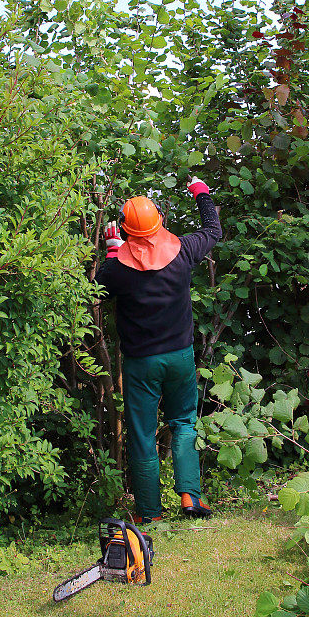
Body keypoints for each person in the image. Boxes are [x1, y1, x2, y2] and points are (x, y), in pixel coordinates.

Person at [94, 176, 222, 524]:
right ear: (160, 221)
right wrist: (201, 192)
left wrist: (111, 249)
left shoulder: (118, 269)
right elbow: (213, 230)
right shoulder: (183, 251)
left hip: (141, 364)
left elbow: (96, 292)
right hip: (180, 357)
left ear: (124, 230)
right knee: (183, 423)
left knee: (142, 434)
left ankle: (150, 514)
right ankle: (190, 498)